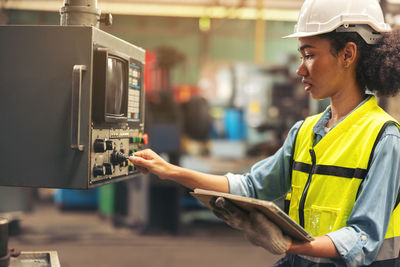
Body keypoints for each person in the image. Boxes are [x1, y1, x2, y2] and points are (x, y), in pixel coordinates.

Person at [129, 0, 400, 265]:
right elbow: (251, 187)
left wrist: (289, 244)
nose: (300, 68)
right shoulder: (304, 131)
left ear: (348, 54)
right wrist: (168, 170)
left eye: (310, 55)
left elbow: (362, 238)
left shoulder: (385, 140)